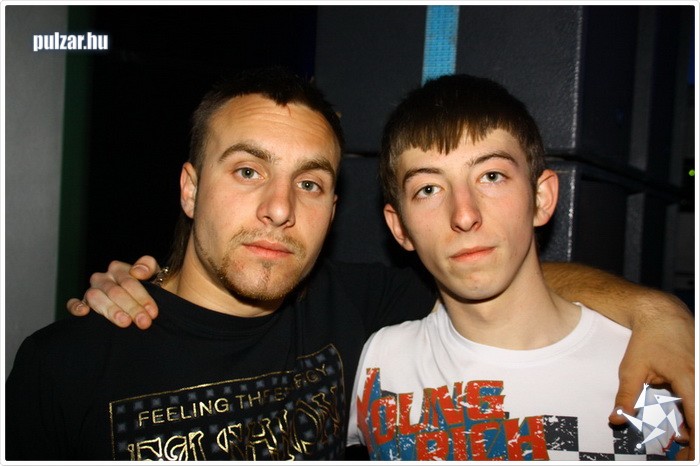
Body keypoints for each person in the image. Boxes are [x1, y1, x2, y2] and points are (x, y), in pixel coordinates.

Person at [8, 67, 693, 460]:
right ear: (190, 188)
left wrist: (656, 310)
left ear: (335, 207)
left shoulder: (360, 319)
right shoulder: (63, 365)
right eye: (247, 171)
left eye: (309, 183)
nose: (280, 209)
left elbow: (486, 275)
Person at [346, 74, 691, 461]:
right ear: (399, 228)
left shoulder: (653, 369)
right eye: (428, 189)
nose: (464, 215)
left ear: (541, 197)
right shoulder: (378, 362)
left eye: (491, 176)